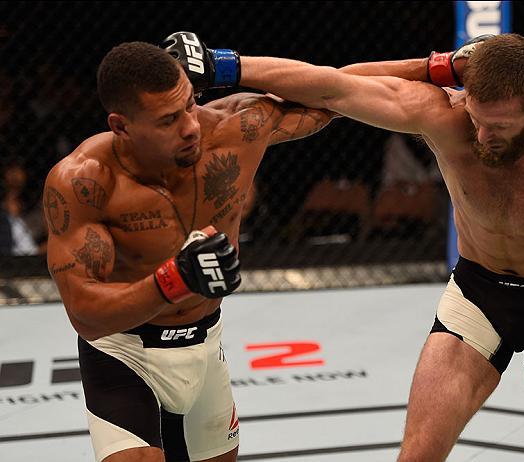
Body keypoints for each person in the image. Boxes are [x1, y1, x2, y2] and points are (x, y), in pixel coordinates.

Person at [176, 32, 524, 461]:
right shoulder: (449, 117)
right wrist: (228, 66)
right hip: (478, 293)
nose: (483, 136)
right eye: (477, 117)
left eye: (501, 126)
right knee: (418, 455)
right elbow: (332, 85)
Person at [43, 39, 335, 462]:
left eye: (190, 106)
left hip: (204, 344)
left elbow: (336, 91)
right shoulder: (86, 182)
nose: (190, 127)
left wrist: (431, 68)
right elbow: (85, 314)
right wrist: (173, 281)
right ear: (121, 126)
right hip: (125, 357)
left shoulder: (229, 131)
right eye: (167, 121)